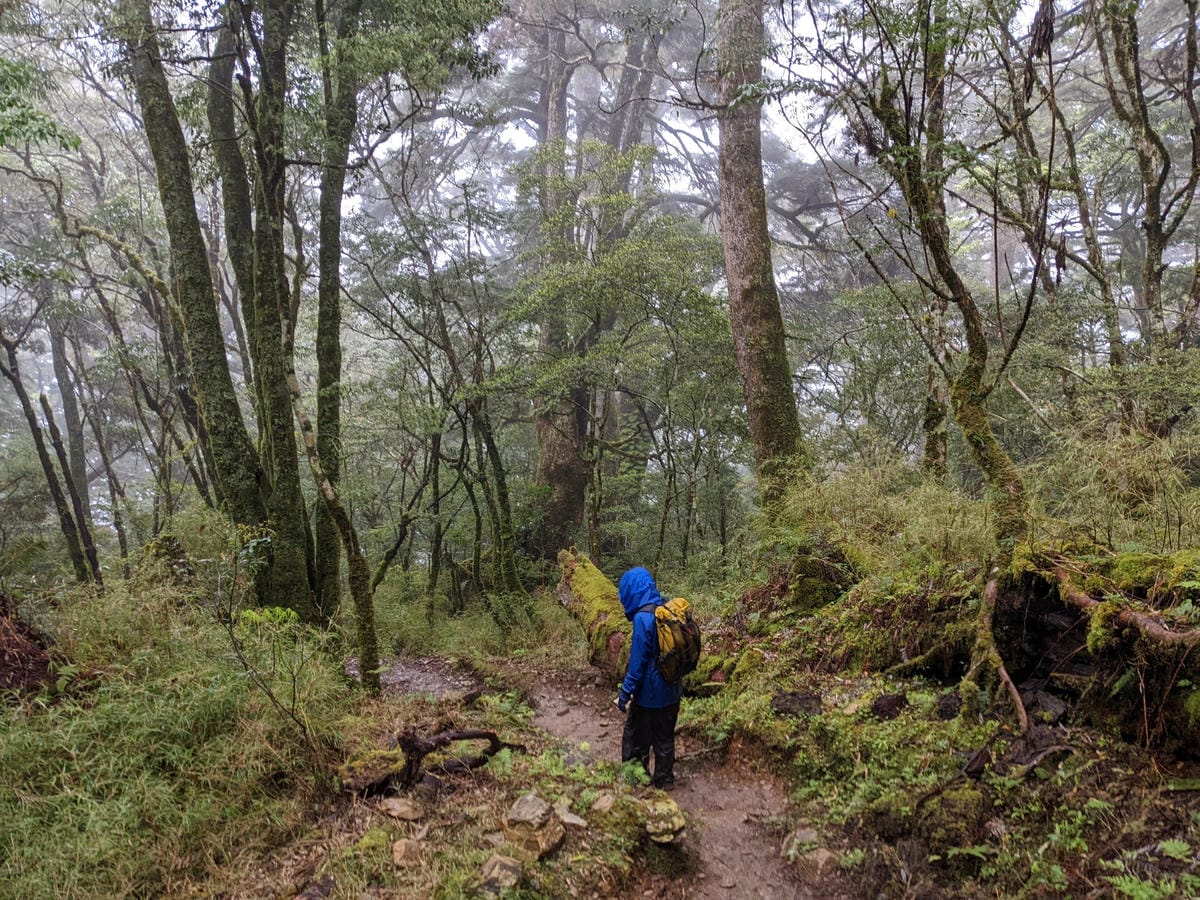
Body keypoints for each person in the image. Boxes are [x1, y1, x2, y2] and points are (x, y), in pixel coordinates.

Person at [614, 566, 682, 790]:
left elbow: (638, 663)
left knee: (635, 738)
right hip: (672, 690)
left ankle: (636, 779)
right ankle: (665, 780)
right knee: (664, 737)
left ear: (630, 591)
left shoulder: (643, 618)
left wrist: (625, 693)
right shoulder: (666, 608)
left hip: (649, 695)